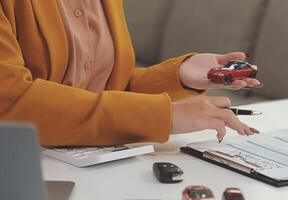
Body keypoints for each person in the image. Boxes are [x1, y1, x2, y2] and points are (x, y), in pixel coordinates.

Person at [0, 1, 261, 146]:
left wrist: (178, 76)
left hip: (85, 163)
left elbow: (100, 92)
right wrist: (162, 115)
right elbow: (10, 102)